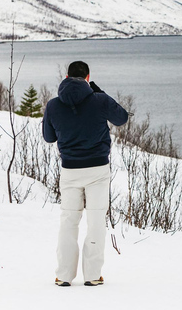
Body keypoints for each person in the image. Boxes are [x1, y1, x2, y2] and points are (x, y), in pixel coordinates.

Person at [42, 61, 129, 287]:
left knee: (69, 220)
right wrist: (98, 92)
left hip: (70, 170)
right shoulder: (99, 100)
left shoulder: (53, 105)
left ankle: (63, 275)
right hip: (98, 170)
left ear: (67, 76)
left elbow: (49, 137)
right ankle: (92, 275)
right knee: (96, 220)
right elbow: (122, 118)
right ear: (88, 77)